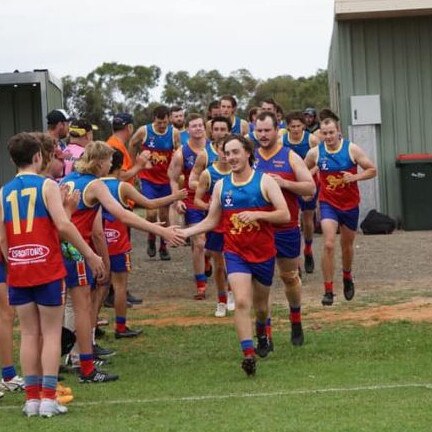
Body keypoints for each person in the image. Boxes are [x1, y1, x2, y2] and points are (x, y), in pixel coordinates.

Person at [0, 132, 105, 416]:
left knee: (29, 334)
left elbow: (2, 237)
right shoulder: (47, 185)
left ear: (12, 160)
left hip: (19, 269)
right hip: (46, 266)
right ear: (38, 157)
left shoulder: (4, 191)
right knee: (49, 333)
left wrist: (14, 263)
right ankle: (48, 398)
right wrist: (90, 253)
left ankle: (31, 400)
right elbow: (63, 226)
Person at [61, 141, 184, 383]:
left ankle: (71, 357)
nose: (111, 165)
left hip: (63, 249)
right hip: (76, 252)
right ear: (99, 162)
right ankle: (83, 364)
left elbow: (95, 227)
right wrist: (161, 231)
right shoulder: (94, 184)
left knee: (67, 307)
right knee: (82, 308)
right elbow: (123, 214)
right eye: (108, 160)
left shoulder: (68, 180)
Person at [179, 134, 290, 376]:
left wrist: (259, 215)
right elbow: (211, 220)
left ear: (248, 153)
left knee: (261, 306)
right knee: (240, 301)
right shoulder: (221, 185)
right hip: (235, 252)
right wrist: (185, 231)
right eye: (227, 153)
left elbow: (284, 214)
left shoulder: (265, 182)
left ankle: (262, 329)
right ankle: (248, 355)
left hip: (263, 252)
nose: (231, 158)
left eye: (235, 152)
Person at [102, 150, 187, 337]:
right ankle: (121, 327)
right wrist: (175, 197)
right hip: (117, 242)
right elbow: (149, 204)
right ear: (119, 166)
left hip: (99, 240)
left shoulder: (94, 185)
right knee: (120, 286)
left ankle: (93, 327)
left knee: (100, 287)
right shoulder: (121, 187)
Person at [254, 112, 316, 347]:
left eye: (267, 130)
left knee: (290, 277)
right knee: (262, 283)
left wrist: (284, 183)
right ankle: (265, 334)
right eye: (259, 131)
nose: (263, 135)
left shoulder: (289, 156)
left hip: (286, 228)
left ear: (277, 129)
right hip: (259, 229)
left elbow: (309, 188)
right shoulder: (251, 158)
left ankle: (296, 321)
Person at [304, 118, 377, 306]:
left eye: (331, 132)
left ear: (338, 132)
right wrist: (308, 186)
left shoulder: (351, 149)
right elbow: (302, 171)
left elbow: (372, 170)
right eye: (324, 133)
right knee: (328, 244)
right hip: (328, 203)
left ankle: (347, 275)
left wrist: (355, 177)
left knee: (346, 245)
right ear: (320, 133)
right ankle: (328, 290)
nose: (327, 136)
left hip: (350, 205)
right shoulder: (315, 152)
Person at [129, 105, 181, 261]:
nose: (162, 125)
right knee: (151, 213)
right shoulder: (144, 131)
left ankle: (163, 246)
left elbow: (179, 153)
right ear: (154, 120)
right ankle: (151, 238)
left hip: (165, 179)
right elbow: (132, 143)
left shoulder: (174, 133)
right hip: (148, 178)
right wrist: (135, 165)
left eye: (165, 122)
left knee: (164, 215)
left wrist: (178, 172)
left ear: (168, 120)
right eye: (159, 122)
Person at [168, 114, 209, 299]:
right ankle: (201, 284)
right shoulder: (181, 153)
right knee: (198, 242)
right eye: (194, 126)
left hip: (216, 199)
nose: (198, 129)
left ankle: (207, 261)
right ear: (188, 130)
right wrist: (178, 200)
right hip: (193, 200)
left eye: (201, 125)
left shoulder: (216, 149)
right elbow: (173, 178)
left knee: (213, 245)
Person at [194, 139, 232, 317]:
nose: (226, 154)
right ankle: (221, 300)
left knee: (233, 261)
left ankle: (232, 292)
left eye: (230, 150)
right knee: (218, 265)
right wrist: (210, 207)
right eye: (223, 150)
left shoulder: (239, 171)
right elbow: (197, 200)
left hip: (235, 224)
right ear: (216, 150)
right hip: (216, 224)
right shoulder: (208, 174)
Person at [283, 111, 320, 273]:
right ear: (288, 127)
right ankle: (295, 261)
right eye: (292, 127)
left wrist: (308, 177)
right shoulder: (282, 141)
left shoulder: (311, 139)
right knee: (293, 221)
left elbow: (320, 160)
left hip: (309, 181)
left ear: (304, 126)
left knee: (307, 218)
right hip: (290, 184)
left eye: (298, 126)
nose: (296, 129)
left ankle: (309, 248)